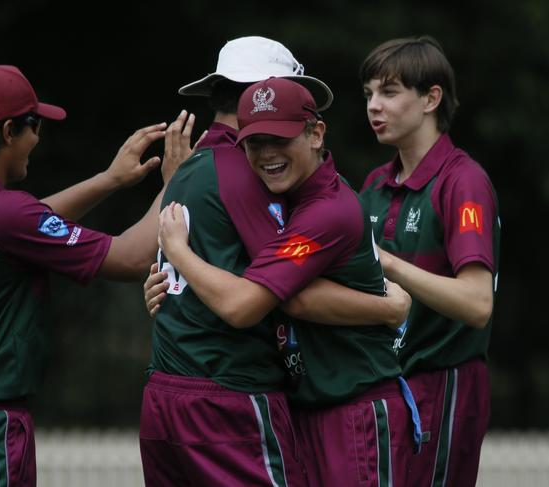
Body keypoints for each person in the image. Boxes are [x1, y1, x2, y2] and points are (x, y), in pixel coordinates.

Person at [140, 37, 411, 487]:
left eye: (280, 133)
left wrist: (181, 255)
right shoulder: (247, 177)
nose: (266, 153)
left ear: (315, 132)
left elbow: (265, 301)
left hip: (352, 402)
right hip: (302, 403)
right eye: (256, 137)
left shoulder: (318, 204)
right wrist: (171, 271)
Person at [0, 64, 192, 486]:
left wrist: (109, 180)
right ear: (7, 132)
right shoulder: (6, 215)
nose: (38, 139)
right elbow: (132, 258)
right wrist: (177, 181)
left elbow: (25, 226)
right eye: (34, 126)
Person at [358, 36, 500, 487]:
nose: (374, 106)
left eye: (389, 92)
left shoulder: (464, 182)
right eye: (368, 95)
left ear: (431, 98)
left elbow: (478, 304)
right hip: (384, 384)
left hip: (443, 383)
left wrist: (391, 264)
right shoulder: (375, 184)